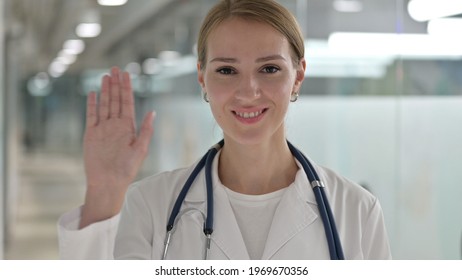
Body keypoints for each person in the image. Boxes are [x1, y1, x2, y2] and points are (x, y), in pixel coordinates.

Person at [58, 0, 391, 260]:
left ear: (298, 75)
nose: (248, 91)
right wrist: (104, 191)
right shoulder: (152, 205)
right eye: (227, 70)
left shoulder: (356, 211)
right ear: (202, 77)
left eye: (270, 68)